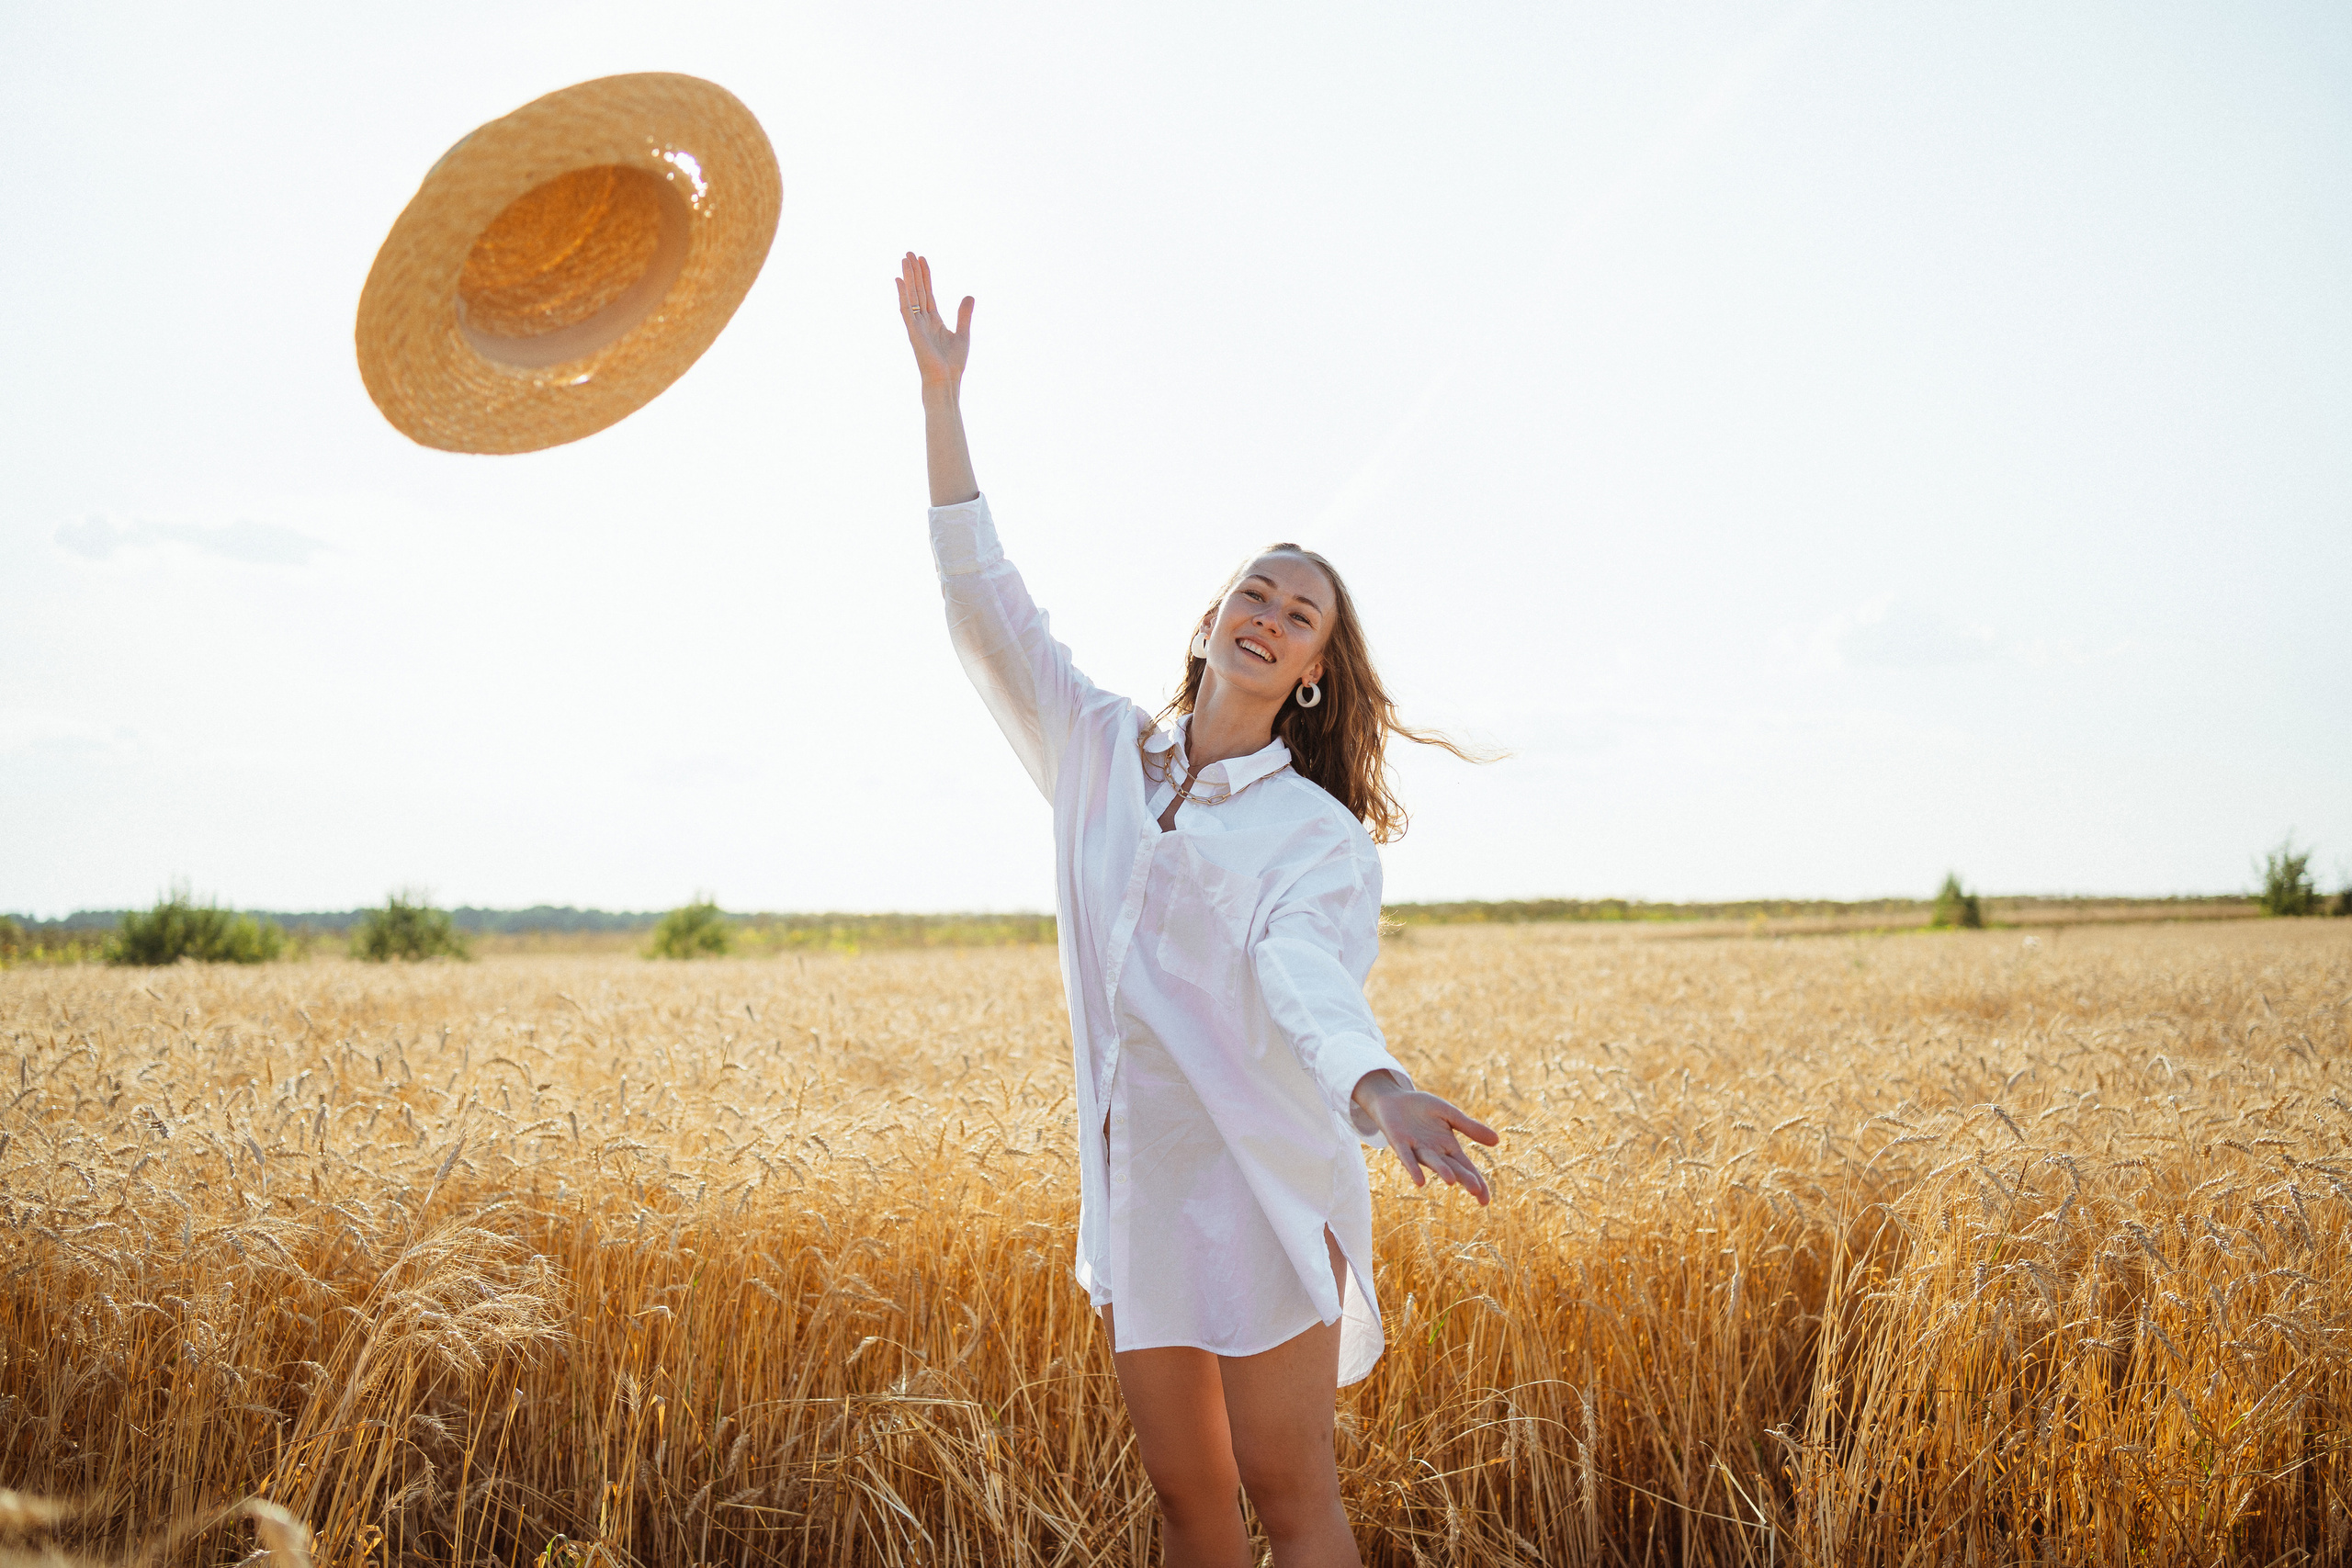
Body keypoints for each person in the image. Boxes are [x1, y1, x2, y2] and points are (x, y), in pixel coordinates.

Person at [898, 253, 1499, 1568]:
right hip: (1140, 1192)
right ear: (1213, 620)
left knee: (1294, 1504)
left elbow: (1304, 979)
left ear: (1309, 677)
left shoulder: (1315, 836)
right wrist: (942, 401)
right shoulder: (1099, 751)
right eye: (1257, 594)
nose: (1272, 618)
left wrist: (1380, 1085)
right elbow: (983, 606)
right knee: (1188, 1509)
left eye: (1302, 619)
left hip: (1264, 1178)